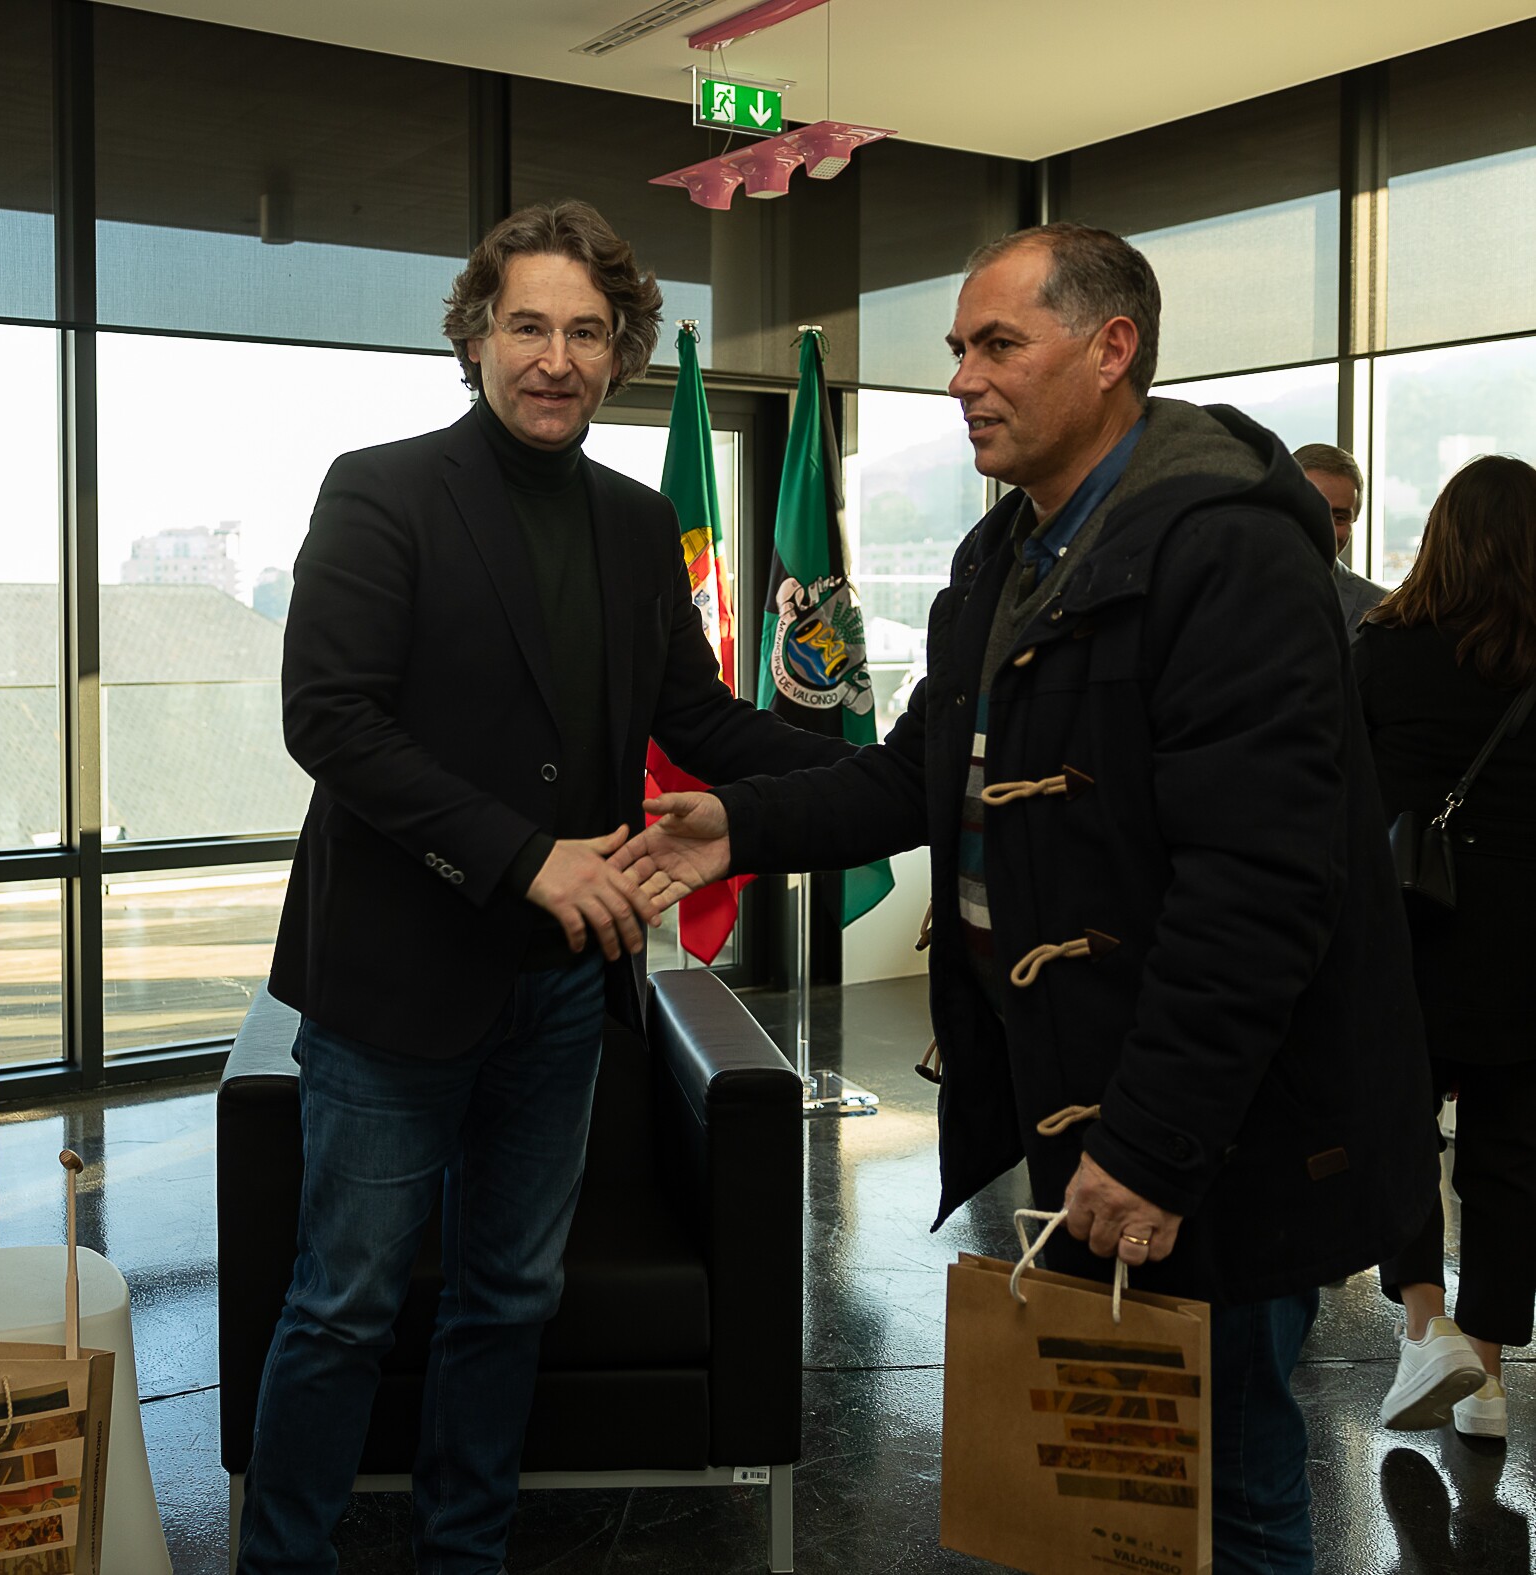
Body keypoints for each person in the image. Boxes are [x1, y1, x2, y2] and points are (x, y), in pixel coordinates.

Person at [616, 224, 1433, 1573]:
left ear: (1111, 349)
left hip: (1221, 1128)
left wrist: (1151, 1145)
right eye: (957, 348)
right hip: (1088, 1092)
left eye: (996, 344)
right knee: (1124, 1480)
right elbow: (922, 772)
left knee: (1228, 1482)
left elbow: (1258, 886)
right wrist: (741, 823)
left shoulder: (1226, 553)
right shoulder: (1006, 554)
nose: (959, 379)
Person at [240, 200, 854, 1575]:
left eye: (586, 332)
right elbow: (329, 718)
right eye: (527, 326)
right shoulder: (379, 488)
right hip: (394, 983)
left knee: (511, 1294)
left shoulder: (637, 523)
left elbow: (697, 715)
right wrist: (525, 857)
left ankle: (465, 1552)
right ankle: (282, 1560)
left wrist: (880, 773)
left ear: (620, 351)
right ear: (473, 336)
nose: (555, 358)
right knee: (341, 1307)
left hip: (563, 991)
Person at [1361, 454, 1536, 1442]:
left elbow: (1340, 796)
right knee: (1510, 1160)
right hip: (1526, 953)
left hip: (1409, 935)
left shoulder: (1384, 650)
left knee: (1397, 1130)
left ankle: (1426, 1326)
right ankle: (1491, 1378)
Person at [1295, 442, 1387, 627]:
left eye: (1339, 518)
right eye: (1312, 512)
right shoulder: (1237, 591)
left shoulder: (1382, 610)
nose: (1325, 530)